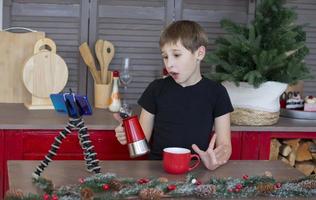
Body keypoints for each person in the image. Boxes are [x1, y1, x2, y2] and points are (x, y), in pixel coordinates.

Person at [114, 20, 233, 170]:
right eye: (165, 56)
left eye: (176, 55)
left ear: (199, 53)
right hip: (158, 170)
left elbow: (225, 146)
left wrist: (216, 159)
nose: (169, 64)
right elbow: (141, 144)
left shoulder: (217, 92)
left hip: (197, 168)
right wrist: (128, 136)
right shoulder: (155, 89)